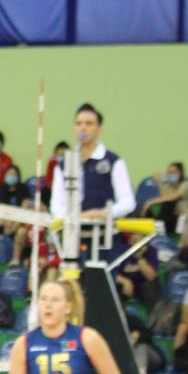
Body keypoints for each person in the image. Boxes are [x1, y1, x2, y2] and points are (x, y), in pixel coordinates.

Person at [49, 103, 136, 259]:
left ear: (99, 129)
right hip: (73, 240)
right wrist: (78, 217)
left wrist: (103, 214)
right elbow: (56, 205)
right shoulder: (64, 164)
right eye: (79, 123)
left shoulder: (113, 161)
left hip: (106, 239)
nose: (83, 128)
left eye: (89, 124)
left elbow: (128, 202)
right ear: (73, 128)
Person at [112, 232, 159, 311]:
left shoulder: (151, 251)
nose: (137, 246)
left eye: (141, 243)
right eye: (135, 242)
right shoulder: (121, 249)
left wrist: (139, 257)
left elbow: (151, 277)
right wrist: (125, 281)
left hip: (142, 285)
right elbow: (111, 272)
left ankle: (154, 317)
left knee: (150, 287)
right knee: (114, 288)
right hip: (125, 284)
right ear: (130, 241)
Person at [136, 161, 188, 230]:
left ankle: (155, 228)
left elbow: (172, 198)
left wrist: (150, 202)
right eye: (168, 172)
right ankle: (143, 228)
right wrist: (160, 183)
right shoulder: (170, 186)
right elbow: (163, 196)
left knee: (167, 204)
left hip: (180, 218)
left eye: (172, 172)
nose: (170, 175)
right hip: (169, 217)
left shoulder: (185, 185)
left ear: (180, 173)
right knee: (144, 209)